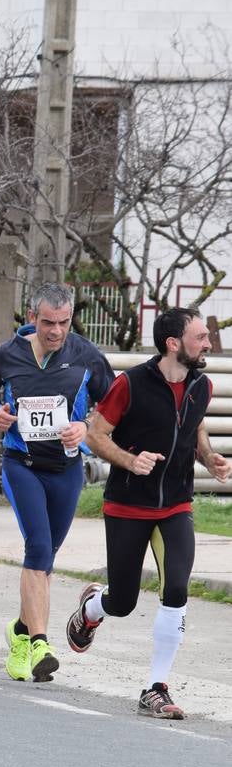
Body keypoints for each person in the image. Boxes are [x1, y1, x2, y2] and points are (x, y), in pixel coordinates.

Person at [72, 308, 230, 719]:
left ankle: (154, 687)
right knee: (122, 602)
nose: (208, 342)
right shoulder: (131, 383)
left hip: (176, 504)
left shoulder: (202, 384)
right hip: (127, 505)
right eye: (200, 337)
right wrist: (129, 460)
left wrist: (209, 457)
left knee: (176, 588)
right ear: (173, 343)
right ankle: (92, 609)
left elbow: (193, 427)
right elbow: (94, 433)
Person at [0, 283, 114, 683]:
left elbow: (113, 402)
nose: (56, 331)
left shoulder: (86, 355)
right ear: (32, 318)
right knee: (37, 548)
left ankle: (17, 633)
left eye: (64, 323)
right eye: (48, 322)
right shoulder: (8, 354)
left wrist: (85, 427)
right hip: (24, 465)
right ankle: (39, 643)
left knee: (45, 559)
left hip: (66, 470)